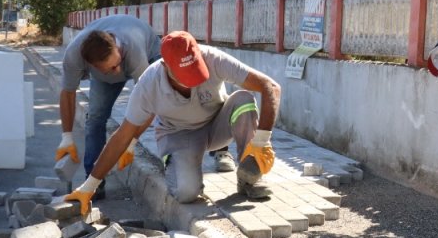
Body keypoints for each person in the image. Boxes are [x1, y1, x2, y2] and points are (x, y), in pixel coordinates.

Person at [64, 31, 281, 213]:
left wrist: (261, 141)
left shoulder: (214, 58)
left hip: (216, 126)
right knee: (186, 193)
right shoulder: (149, 82)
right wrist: (90, 186)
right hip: (179, 135)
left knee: (244, 100)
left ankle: (249, 177)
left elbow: (270, 87)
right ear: (166, 66)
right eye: (185, 77)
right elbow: (122, 135)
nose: (192, 83)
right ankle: (177, 164)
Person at [57, 14, 166, 194]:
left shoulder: (134, 53)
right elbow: (68, 93)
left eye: (117, 64)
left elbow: (149, 104)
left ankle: (172, 160)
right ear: (90, 66)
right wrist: (66, 136)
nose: (118, 72)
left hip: (150, 52)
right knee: (95, 118)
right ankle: (93, 183)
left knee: (165, 104)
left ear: (116, 47)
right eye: (111, 69)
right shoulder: (74, 55)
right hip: (106, 69)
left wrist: (130, 143)